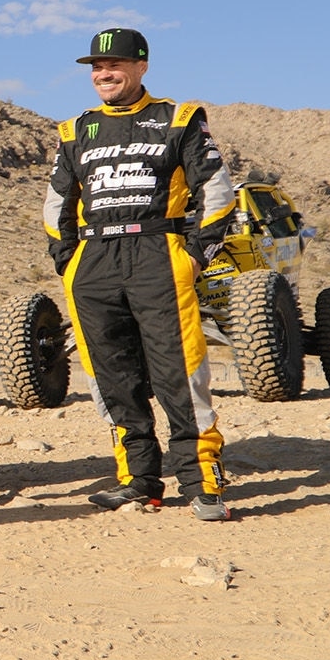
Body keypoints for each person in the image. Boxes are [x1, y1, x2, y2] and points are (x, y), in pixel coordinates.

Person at [45, 29, 235, 520]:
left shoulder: (180, 119)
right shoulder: (75, 131)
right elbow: (56, 206)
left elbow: (217, 192)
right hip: (94, 261)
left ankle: (202, 482)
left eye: (115, 65)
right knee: (112, 376)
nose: (104, 74)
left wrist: (194, 256)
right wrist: (68, 263)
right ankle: (138, 481)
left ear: (141, 67)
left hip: (158, 254)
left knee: (179, 372)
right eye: (96, 67)